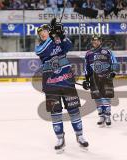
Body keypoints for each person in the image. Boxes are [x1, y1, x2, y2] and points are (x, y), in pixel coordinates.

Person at [35, 20, 89, 151]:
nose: (43, 34)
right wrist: (53, 37)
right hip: (51, 85)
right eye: (40, 33)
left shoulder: (59, 42)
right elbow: (44, 51)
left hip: (67, 82)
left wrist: (61, 34)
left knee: (74, 110)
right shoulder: (40, 47)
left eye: (45, 31)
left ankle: (80, 136)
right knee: (55, 112)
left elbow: (68, 46)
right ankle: (60, 138)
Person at [83, 34, 118, 127]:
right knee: (97, 97)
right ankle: (101, 115)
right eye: (93, 40)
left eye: (97, 40)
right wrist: (86, 79)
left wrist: (113, 71)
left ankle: (107, 115)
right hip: (94, 79)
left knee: (106, 96)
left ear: (101, 41)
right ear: (91, 42)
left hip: (106, 77)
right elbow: (86, 67)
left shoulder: (107, 51)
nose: (95, 42)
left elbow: (114, 62)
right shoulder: (88, 53)